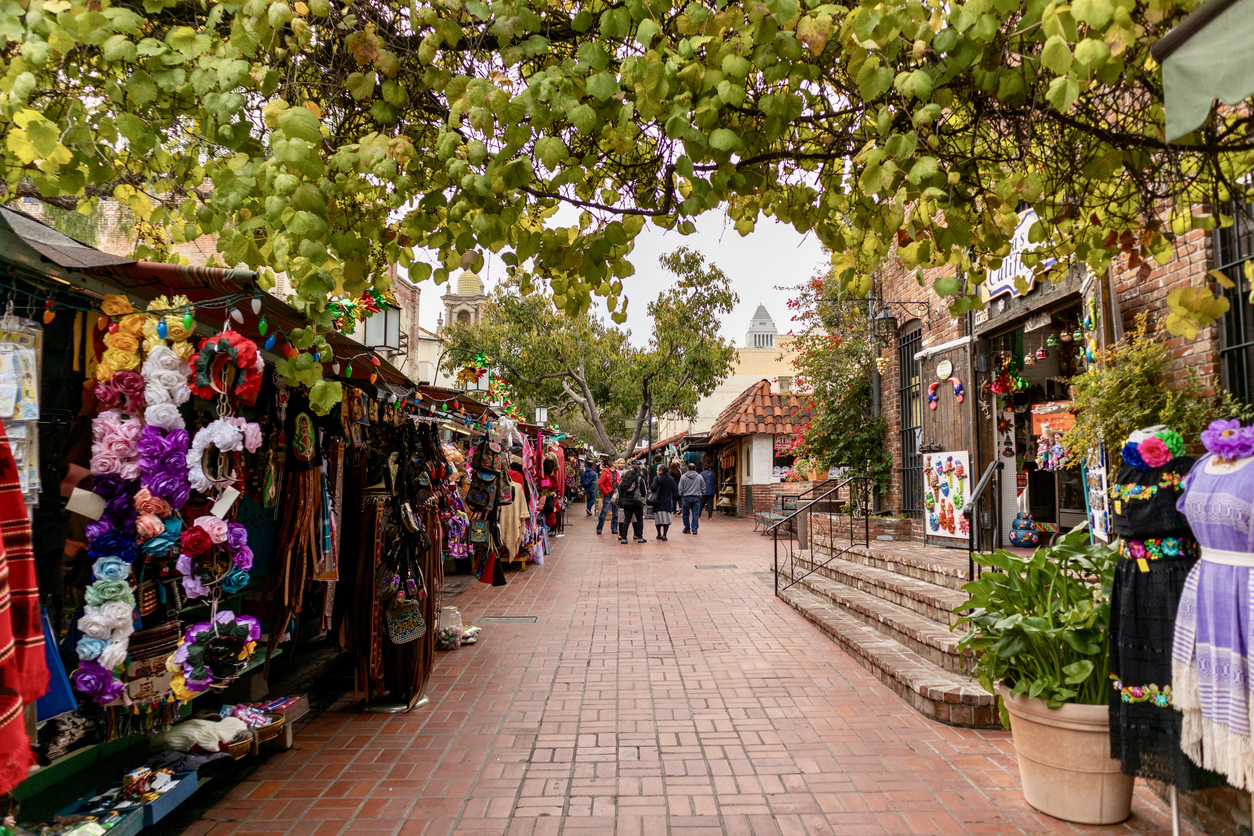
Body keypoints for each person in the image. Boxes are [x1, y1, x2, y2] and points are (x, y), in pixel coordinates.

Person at [617, 464, 647, 544]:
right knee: (639, 519)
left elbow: (620, 492)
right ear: (637, 472)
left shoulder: (624, 480)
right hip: (637, 502)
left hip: (626, 502)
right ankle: (640, 537)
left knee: (626, 520)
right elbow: (644, 492)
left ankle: (624, 538)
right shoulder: (640, 479)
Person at [650, 464, 677, 541]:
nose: (656, 471)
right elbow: (673, 488)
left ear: (661, 471)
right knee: (666, 518)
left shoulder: (657, 478)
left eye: (657, 470)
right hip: (667, 500)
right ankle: (665, 534)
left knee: (658, 518)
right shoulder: (671, 479)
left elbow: (653, 488)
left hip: (658, 501)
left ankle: (659, 534)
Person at [596, 459, 622, 535]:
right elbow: (600, 483)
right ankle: (599, 528)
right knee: (604, 512)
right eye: (617, 463)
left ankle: (614, 528)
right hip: (608, 495)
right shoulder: (606, 473)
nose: (618, 465)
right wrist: (606, 492)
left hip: (615, 495)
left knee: (616, 513)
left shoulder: (617, 473)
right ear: (613, 464)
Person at [678, 462, 705, 535]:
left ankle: (687, 528)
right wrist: (701, 494)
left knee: (685, 513)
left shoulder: (683, 477)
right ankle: (694, 529)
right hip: (696, 497)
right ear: (695, 469)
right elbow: (703, 487)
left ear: (688, 468)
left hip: (686, 497)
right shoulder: (699, 477)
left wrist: (682, 495)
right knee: (695, 513)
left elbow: (680, 488)